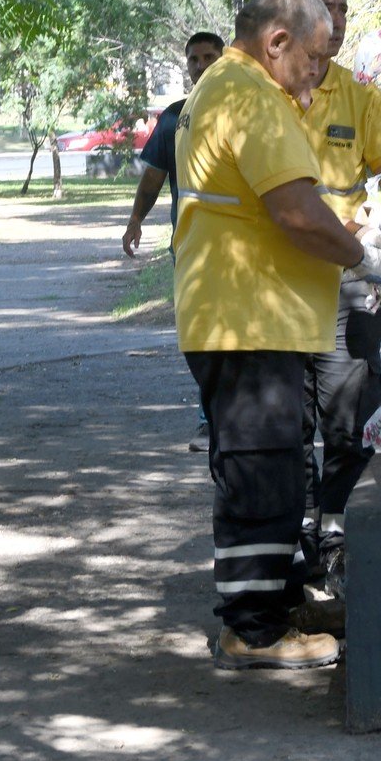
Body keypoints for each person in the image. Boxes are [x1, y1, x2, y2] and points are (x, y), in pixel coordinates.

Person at [175, 0, 381, 671]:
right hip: (247, 318)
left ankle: (265, 608)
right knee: (260, 473)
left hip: (246, 313)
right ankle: (253, 628)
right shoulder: (249, 98)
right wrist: (363, 256)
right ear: (276, 43)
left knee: (267, 467)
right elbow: (298, 212)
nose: (317, 77)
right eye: (312, 59)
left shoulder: (227, 87)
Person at [283, 0, 381, 589]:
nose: (334, 20)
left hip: (347, 284)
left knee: (350, 416)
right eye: (321, 6)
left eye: (341, 7)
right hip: (276, 290)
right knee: (285, 421)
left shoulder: (361, 98)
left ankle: (332, 527)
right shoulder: (262, 92)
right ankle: (292, 535)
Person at [122, 31, 226, 451]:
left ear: (224, 59)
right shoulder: (174, 118)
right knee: (199, 334)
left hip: (241, 248)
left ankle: (235, 414)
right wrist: (134, 220)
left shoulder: (244, 108)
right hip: (189, 247)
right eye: (194, 59)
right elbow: (152, 179)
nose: (201, 66)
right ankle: (210, 414)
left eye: (209, 57)